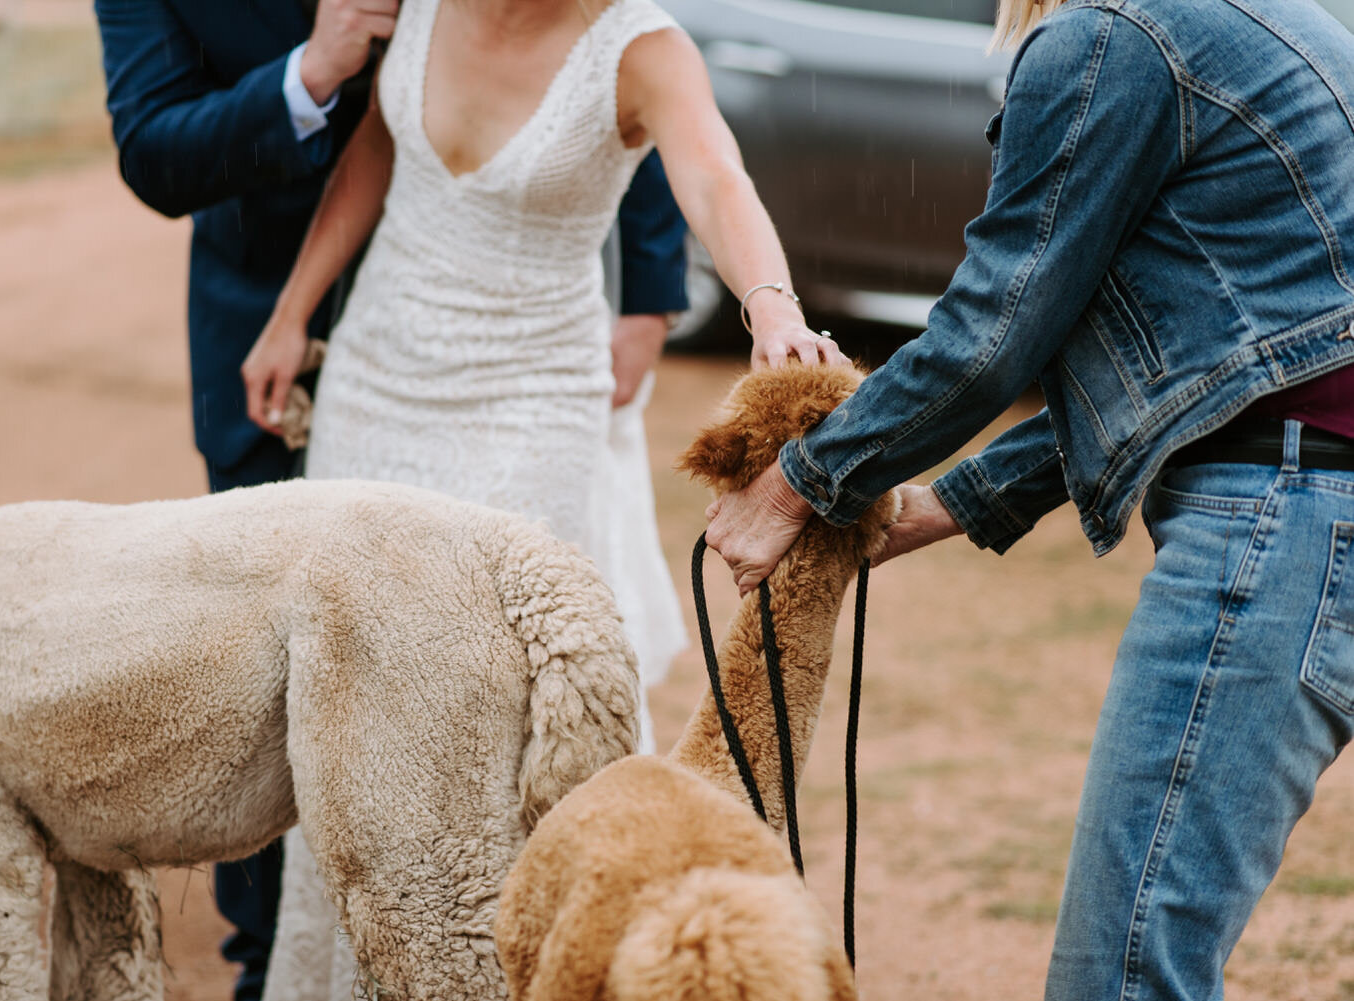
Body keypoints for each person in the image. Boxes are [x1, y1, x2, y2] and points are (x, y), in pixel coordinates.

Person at [706, 0, 1354, 998]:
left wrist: (800, 479)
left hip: (1287, 512)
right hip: (1318, 505)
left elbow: (992, 329)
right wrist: (942, 503)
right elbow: (1209, 371)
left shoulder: (1109, 35)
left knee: (1125, 978)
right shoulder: (1268, 20)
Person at [236, 0, 848, 995]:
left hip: (529, 398)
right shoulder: (418, 7)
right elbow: (375, 155)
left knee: (505, 710)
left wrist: (769, 304)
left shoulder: (641, 47)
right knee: (355, 697)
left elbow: (713, 172)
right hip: (376, 378)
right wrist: (291, 313)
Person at [92, 1, 694, 998]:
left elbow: (591, 35)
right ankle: (276, 965)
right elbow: (155, 151)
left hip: (492, 340)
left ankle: (508, 947)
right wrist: (310, 74)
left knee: (484, 680)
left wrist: (650, 284)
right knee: (283, 693)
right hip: (265, 345)